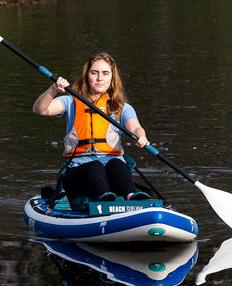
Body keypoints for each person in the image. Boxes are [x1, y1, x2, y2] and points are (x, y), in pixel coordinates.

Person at [32, 51, 150, 201]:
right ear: (87, 76)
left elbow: (135, 127)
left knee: (117, 164)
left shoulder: (122, 107)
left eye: (105, 73)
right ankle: (104, 199)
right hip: (79, 176)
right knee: (95, 166)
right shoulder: (70, 102)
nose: (100, 78)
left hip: (111, 176)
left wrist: (141, 136)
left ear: (112, 78)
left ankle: (132, 197)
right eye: (95, 73)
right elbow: (39, 109)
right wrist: (53, 89)